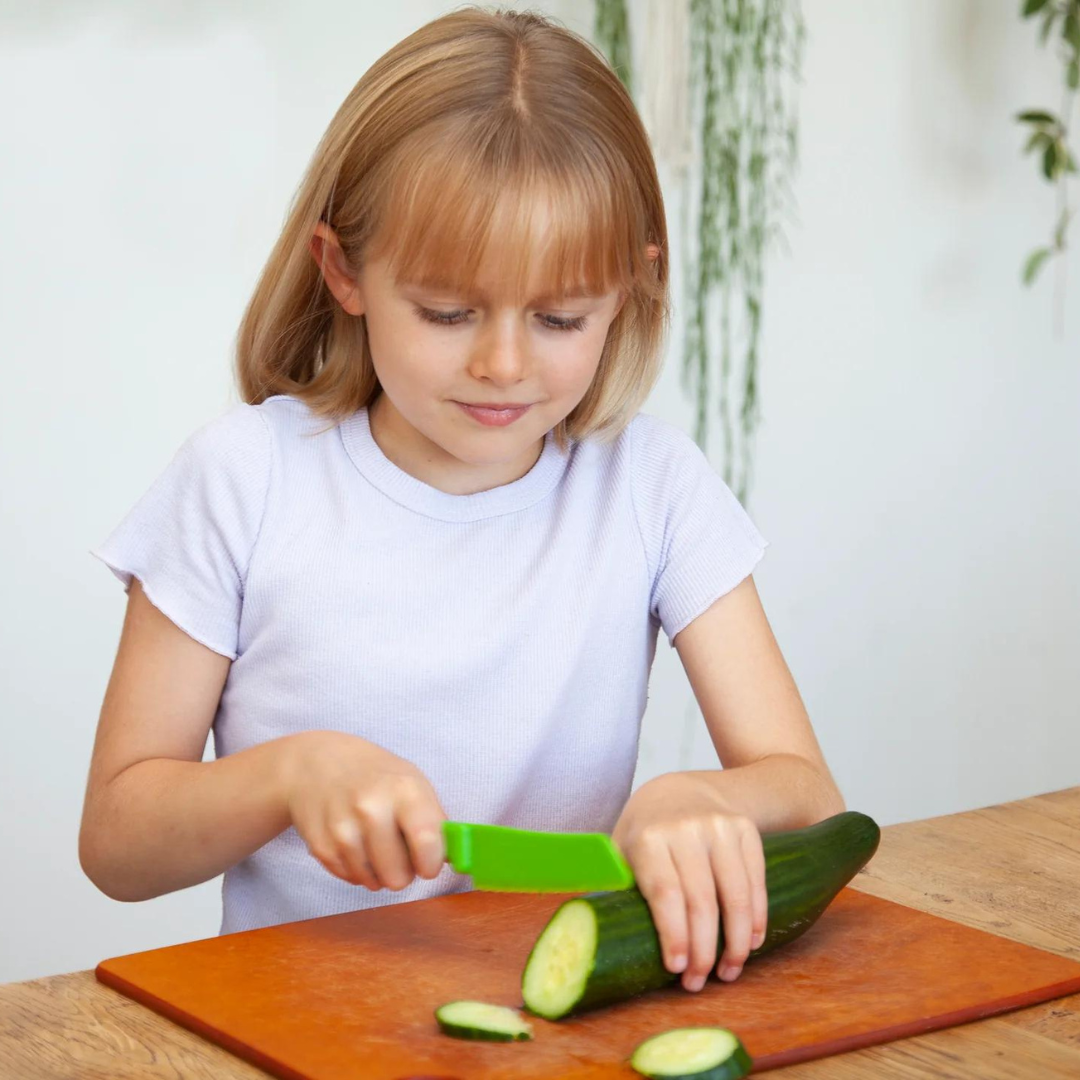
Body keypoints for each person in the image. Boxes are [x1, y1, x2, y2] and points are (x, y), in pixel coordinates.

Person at [78, 5, 844, 996]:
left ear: (631, 290)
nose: (503, 364)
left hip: (561, 1021)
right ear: (343, 270)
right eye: (448, 311)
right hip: (297, 1027)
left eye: (562, 315)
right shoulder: (242, 480)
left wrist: (699, 797)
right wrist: (286, 774)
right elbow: (118, 845)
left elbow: (811, 796)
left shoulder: (651, 486)